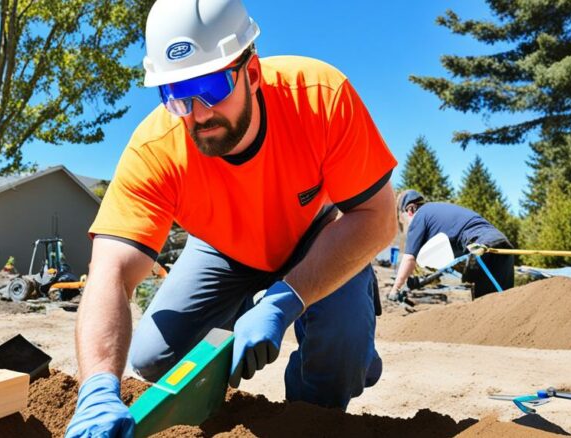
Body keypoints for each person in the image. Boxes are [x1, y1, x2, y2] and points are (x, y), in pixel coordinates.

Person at [65, 1, 398, 436]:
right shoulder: (156, 148)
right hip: (224, 248)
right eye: (176, 95)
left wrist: (285, 301)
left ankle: (338, 370)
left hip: (318, 234)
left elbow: (378, 219)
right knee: (152, 358)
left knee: (341, 357)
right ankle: (244, 325)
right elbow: (109, 270)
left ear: (252, 72)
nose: (198, 113)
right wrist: (96, 387)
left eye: (210, 85)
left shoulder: (319, 96)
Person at [391, 189, 515, 300]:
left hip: (481, 247)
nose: (408, 228)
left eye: (405, 222)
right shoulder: (438, 212)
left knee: (486, 306)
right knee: (505, 305)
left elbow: (409, 258)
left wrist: (395, 288)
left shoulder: (420, 216)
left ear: (410, 210)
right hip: (502, 245)